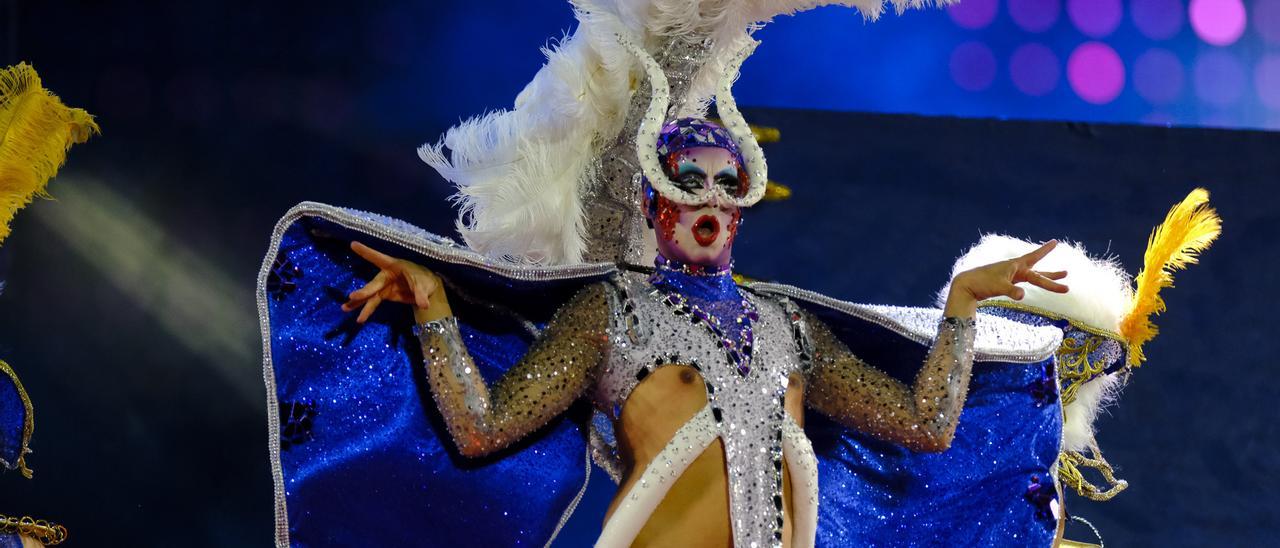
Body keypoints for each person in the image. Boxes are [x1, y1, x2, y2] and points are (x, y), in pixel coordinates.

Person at [337, 117, 1069, 547]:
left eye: (727, 182)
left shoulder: (790, 329)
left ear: (744, 206)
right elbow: (480, 428)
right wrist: (432, 307)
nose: (709, 197)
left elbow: (925, 423)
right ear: (654, 203)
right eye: (689, 181)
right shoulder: (609, 314)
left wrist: (964, 307)